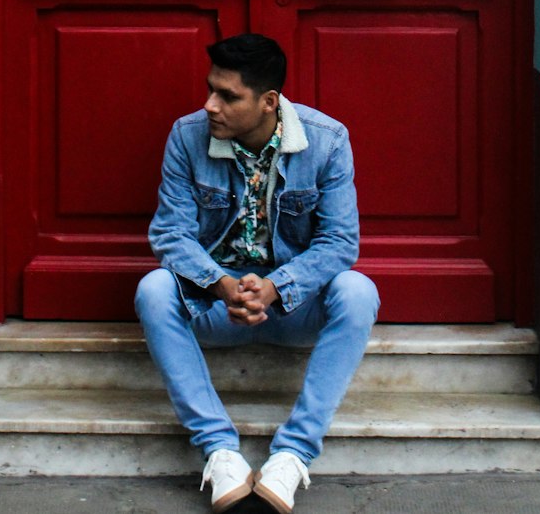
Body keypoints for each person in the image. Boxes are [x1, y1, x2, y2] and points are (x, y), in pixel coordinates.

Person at [134, 33, 380, 513]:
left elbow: (339, 243)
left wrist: (275, 288)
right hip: (216, 304)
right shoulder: (187, 137)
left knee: (358, 291)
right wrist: (224, 286)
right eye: (210, 90)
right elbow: (170, 235)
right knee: (154, 288)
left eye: (228, 96)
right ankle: (220, 451)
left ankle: (292, 455)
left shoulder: (326, 141)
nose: (210, 105)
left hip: (290, 307)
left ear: (269, 102)